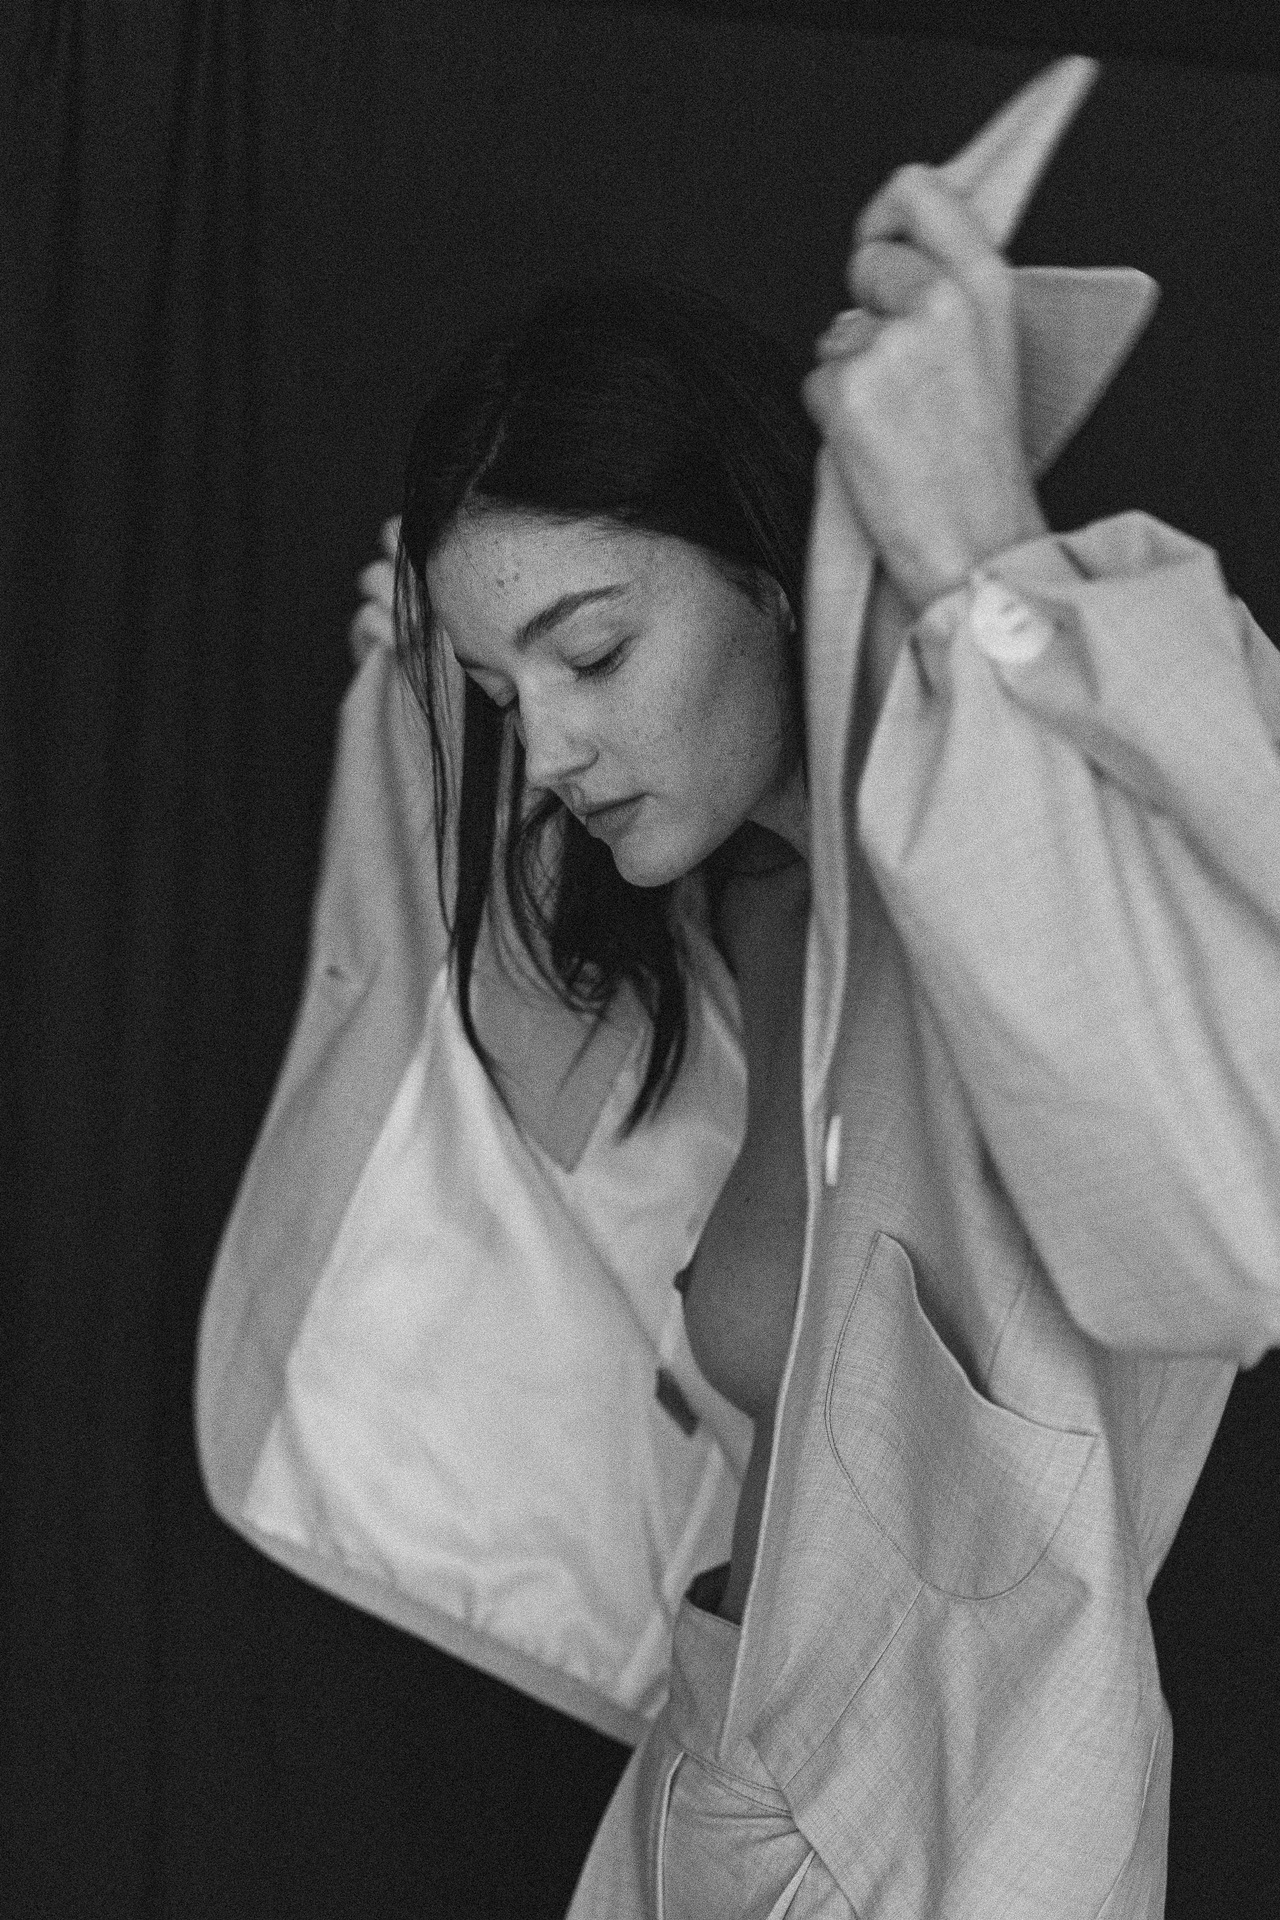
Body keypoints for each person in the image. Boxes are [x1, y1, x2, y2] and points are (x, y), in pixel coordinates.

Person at [198, 58, 1280, 1918]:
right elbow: (511, 1132)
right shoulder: (739, 919)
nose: (548, 745)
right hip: (703, 1773)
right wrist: (417, 746)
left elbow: (1227, 1207)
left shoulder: (1021, 832)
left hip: (953, 1849)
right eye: (505, 692)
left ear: (771, 578)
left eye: (594, 652)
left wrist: (971, 545)